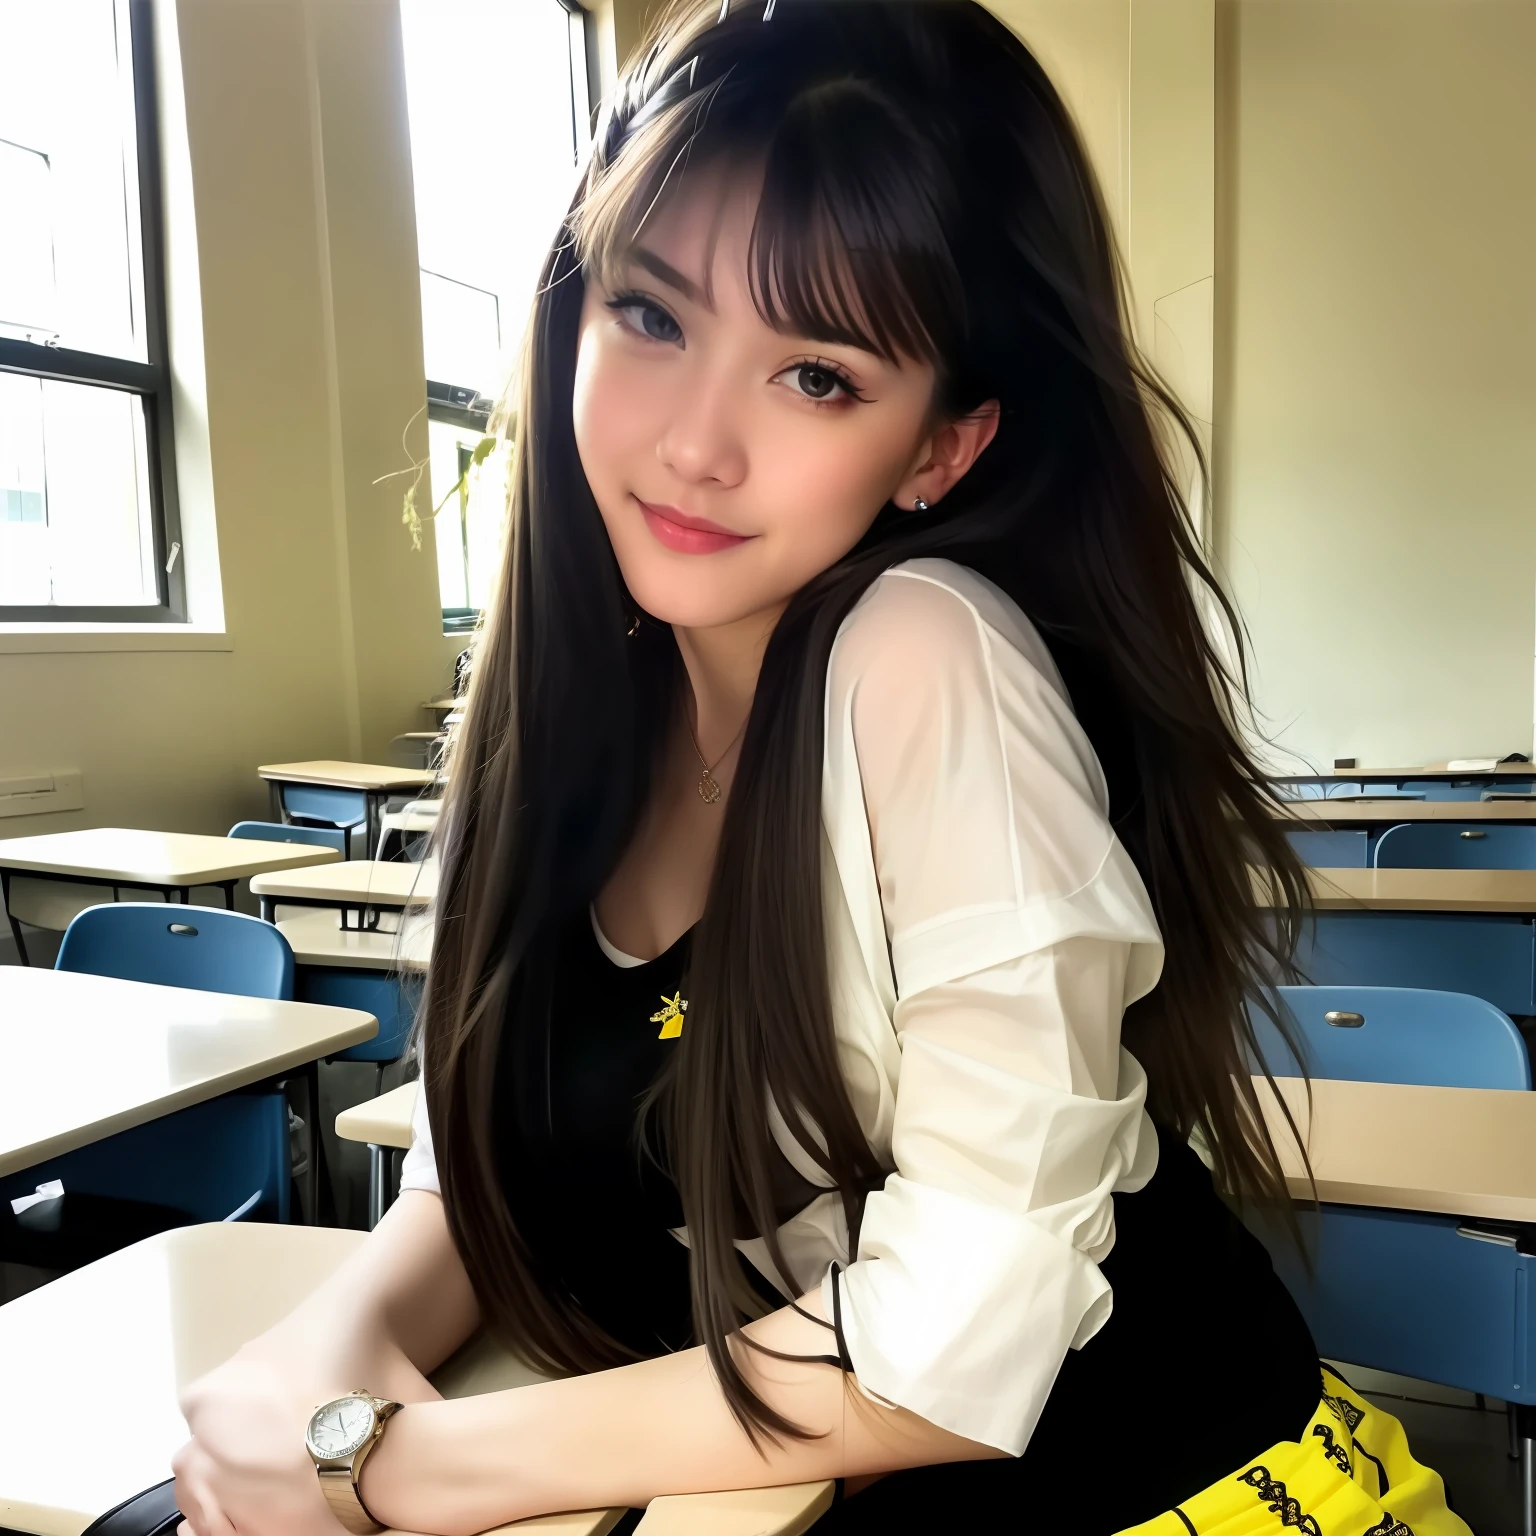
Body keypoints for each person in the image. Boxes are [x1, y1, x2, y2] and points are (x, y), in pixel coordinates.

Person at [171, 3, 1470, 1532]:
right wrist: (312, 1384)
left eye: (819, 377)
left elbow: (952, 1341)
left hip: (1170, 1489)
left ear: (940, 447)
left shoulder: (924, 656)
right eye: (652, 317)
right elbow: (473, 1181)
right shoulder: (562, 713)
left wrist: (404, 1463)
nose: (695, 446)